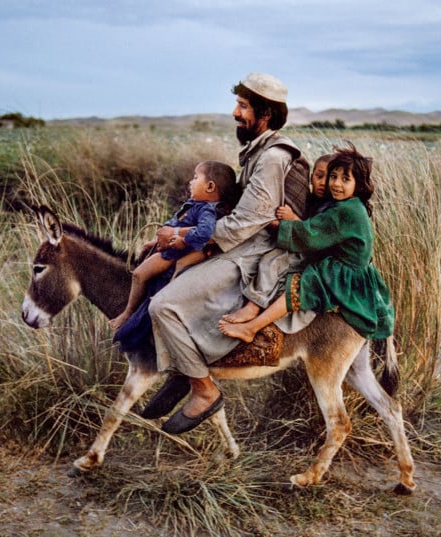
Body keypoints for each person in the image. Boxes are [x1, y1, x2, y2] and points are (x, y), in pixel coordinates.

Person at [144, 72, 312, 434]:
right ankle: (184, 370)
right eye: (237, 104)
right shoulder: (259, 152)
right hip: (245, 244)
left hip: (254, 252)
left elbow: (245, 223)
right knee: (175, 279)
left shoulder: (272, 158)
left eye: (243, 106)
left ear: (265, 113)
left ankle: (203, 391)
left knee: (162, 305)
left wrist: (185, 237)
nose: (235, 113)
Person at [218, 143, 395, 347]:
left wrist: (276, 224)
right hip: (349, 266)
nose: (336, 184)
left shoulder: (345, 212)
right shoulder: (351, 205)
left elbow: (310, 234)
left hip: (345, 273)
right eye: (334, 177)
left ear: (359, 184)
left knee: (303, 285)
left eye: (345, 179)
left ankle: (252, 327)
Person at [108, 160, 238, 334]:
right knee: (145, 269)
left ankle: (129, 312)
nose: (190, 182)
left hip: (177, 252)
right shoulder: (196, 205)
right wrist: (155, 241)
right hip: (173, 248)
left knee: (139, 275)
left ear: (210, 186)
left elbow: (205, 232)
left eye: (195, 178)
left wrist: (182, 240)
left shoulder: (206, 210)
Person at [223, 152, 334, 324]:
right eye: (319, 176)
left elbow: (312, 232)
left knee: (272, 261)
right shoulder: (310, 200)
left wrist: (292, 219)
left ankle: (254, 305)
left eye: (330, 178)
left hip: (313, 254)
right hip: (301, 244)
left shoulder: (330, 207)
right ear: (311, 177)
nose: (323, 183)